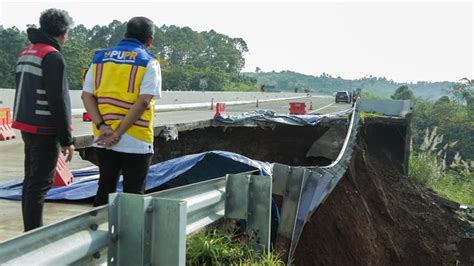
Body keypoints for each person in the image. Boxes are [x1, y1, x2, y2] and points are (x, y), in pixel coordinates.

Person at [81, 17, 161, 206]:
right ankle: (130, 235)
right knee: (133, 194)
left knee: (105, 188)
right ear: (149, 41)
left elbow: (86, 96)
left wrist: (103, 127)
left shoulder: (100, 58)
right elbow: (143, 102)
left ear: (125, 34)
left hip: (103, 137)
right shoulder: (149, 62)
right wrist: (118, 133)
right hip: (136, 138)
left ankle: (98, 232)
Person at [12, 8, 75, 231]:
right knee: (39, 184)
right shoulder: (52, 56)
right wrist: (67, 138)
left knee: (31, 180)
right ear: (63, 32)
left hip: (27, 125)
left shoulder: (28, 51)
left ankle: (30, 229)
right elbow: (58, 100)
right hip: (44, 128)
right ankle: (33, 233)